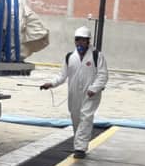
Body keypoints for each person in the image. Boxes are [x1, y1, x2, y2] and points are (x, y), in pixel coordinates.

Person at [40, 26, 108, 158]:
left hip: (91, 94)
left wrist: (94, 88)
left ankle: (80, 148)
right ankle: (79, 144)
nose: (80, 43)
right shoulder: (70, 57)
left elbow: (103, 75)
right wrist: (51, 84)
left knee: (86, 117)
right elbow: (62, 76)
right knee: (76, 118)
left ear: (88, 41)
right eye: (77, 40)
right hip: (74, 94)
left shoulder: (97, 56)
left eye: (83, 40)